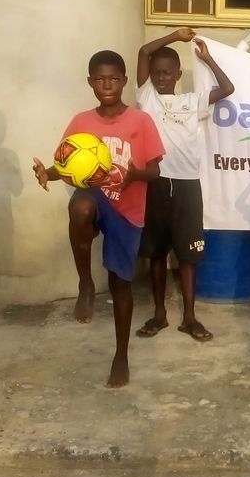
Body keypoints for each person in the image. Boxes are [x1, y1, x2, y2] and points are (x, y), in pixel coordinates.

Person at [32, 50, 164, 388]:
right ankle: (86, 284)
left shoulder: (141, 122)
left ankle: (121, 357)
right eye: (100, 79)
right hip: (95, 200)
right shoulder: (81, 122)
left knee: (121, 284)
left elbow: (155, 170)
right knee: (80, 207)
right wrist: (48, 173)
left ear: (124, 81)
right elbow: (67, 165)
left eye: (114, 79)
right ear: (90, 82)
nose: (107, 85)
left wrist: (136, 175)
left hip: (127, 210)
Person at [133, 28, 234, 342]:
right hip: (156, 183)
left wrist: (208, 59)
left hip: (188, 187)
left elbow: (228, 88)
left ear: (178, 74)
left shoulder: (192, 101)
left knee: (189, 256)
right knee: (156, 254)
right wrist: (175, 36)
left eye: (167, 72)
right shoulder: (147, 98)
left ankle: (189, 317)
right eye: (156, 73)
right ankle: (159, 313)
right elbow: (143, 52)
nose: (161, 77)